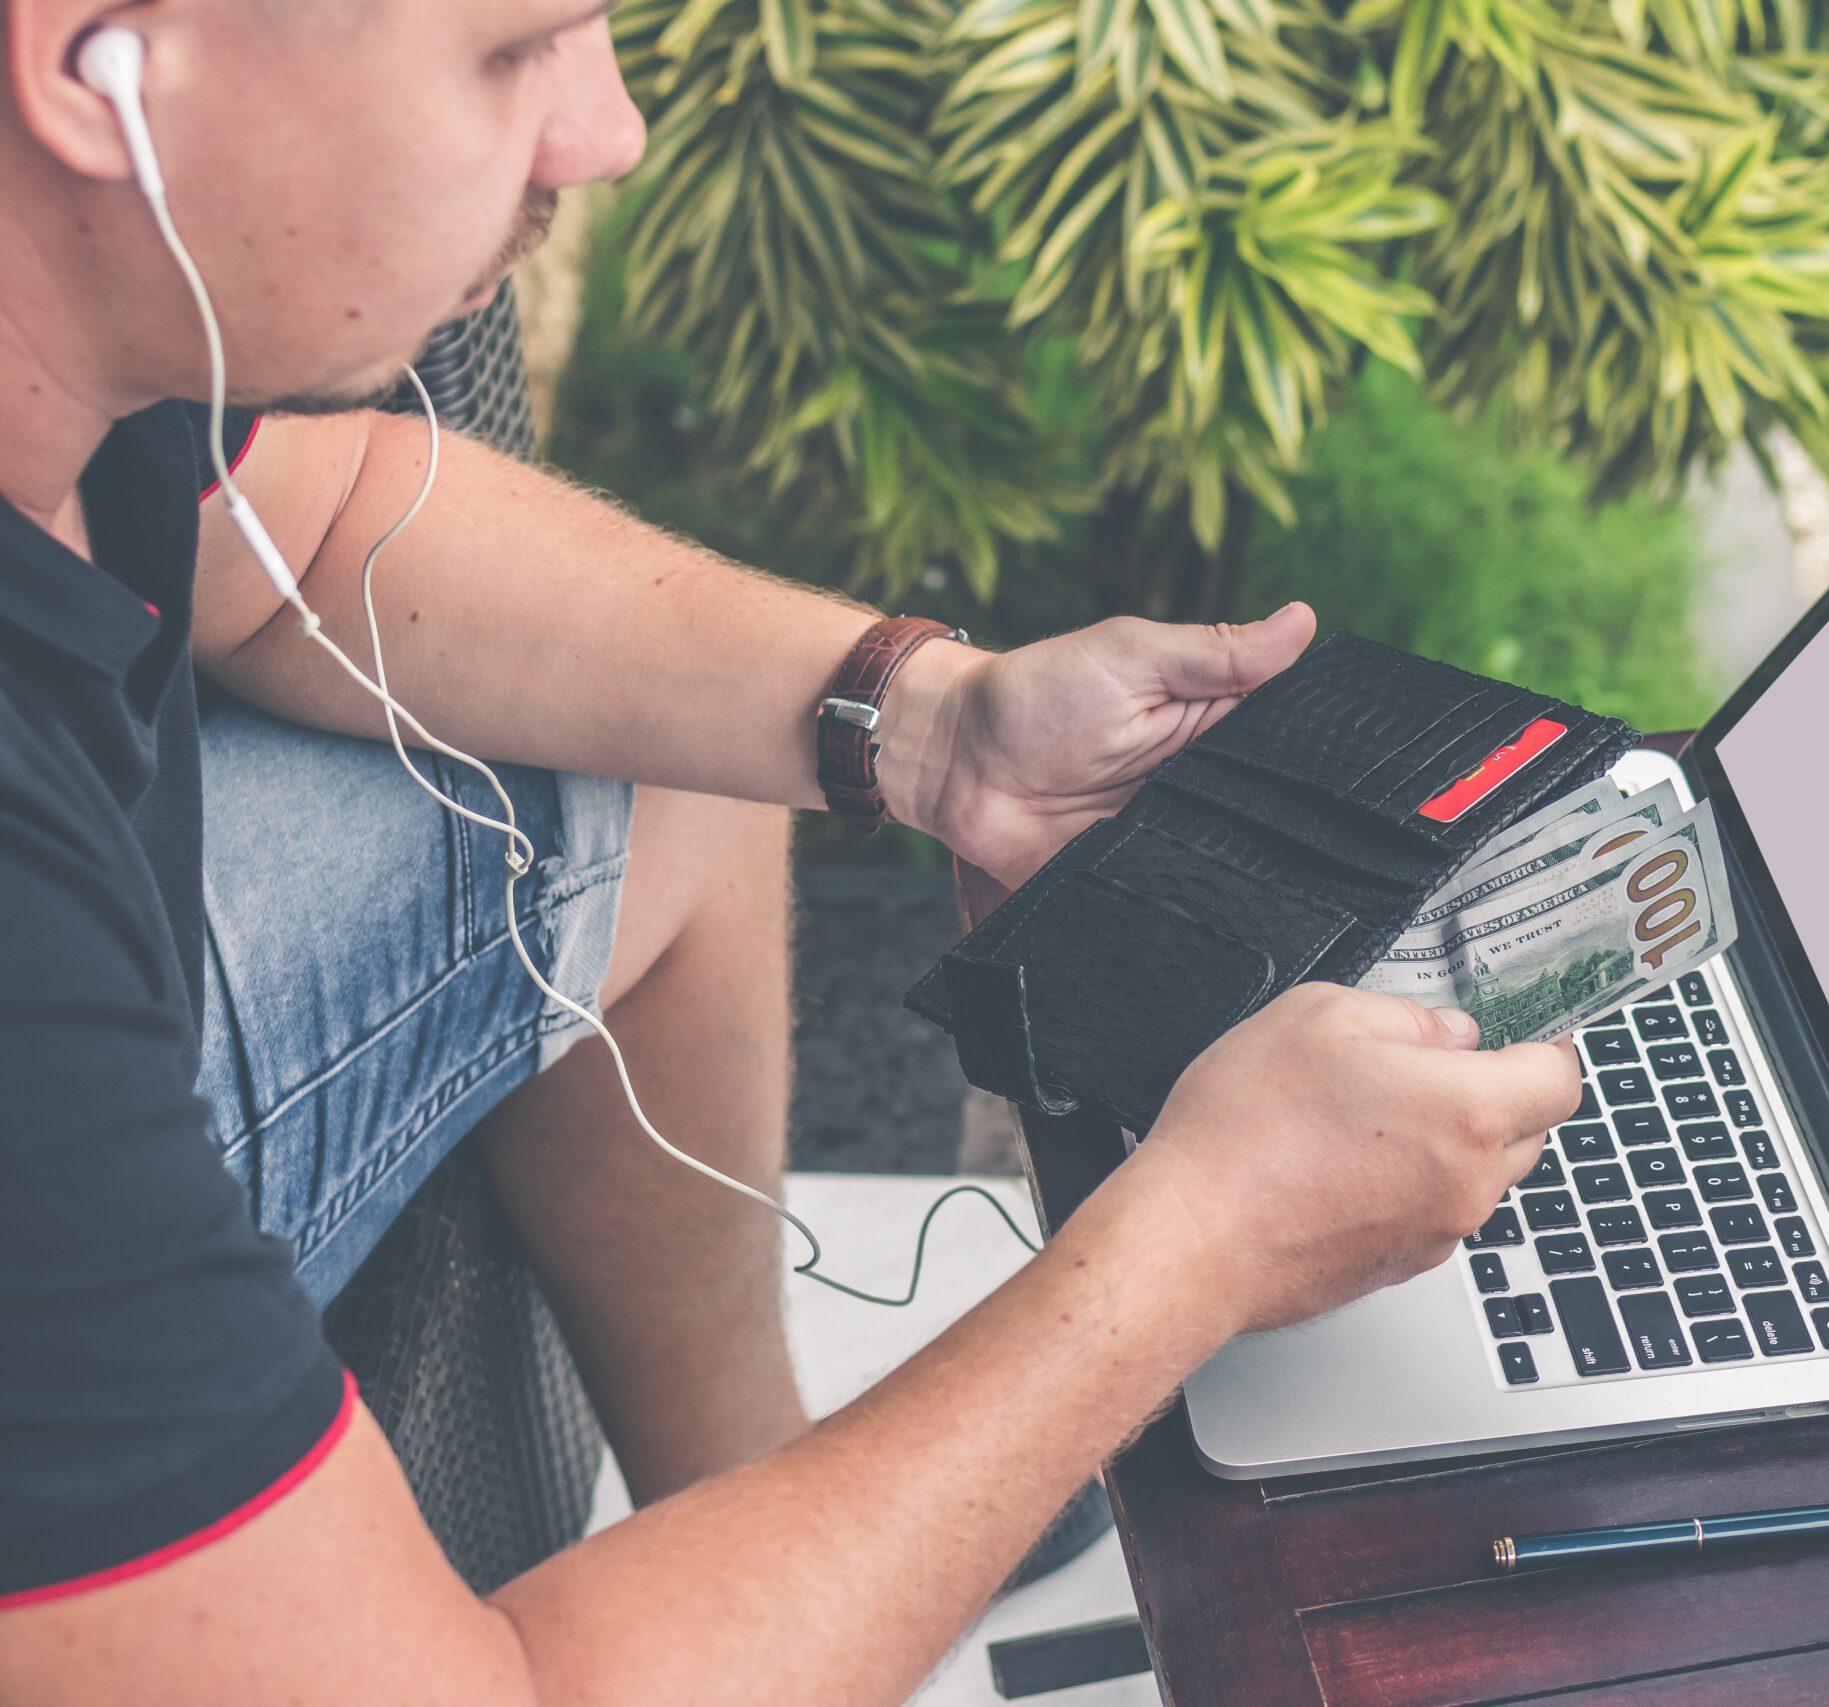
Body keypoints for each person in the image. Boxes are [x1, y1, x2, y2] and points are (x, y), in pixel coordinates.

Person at [0, 1, 1584, 1701]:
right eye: (514, 49)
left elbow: (299, 519)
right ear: (93, 62)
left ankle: (760, 1515)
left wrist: (925, 718)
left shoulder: (86, 315)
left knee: (649, 754)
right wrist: (1189, 1253)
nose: (606, 132)